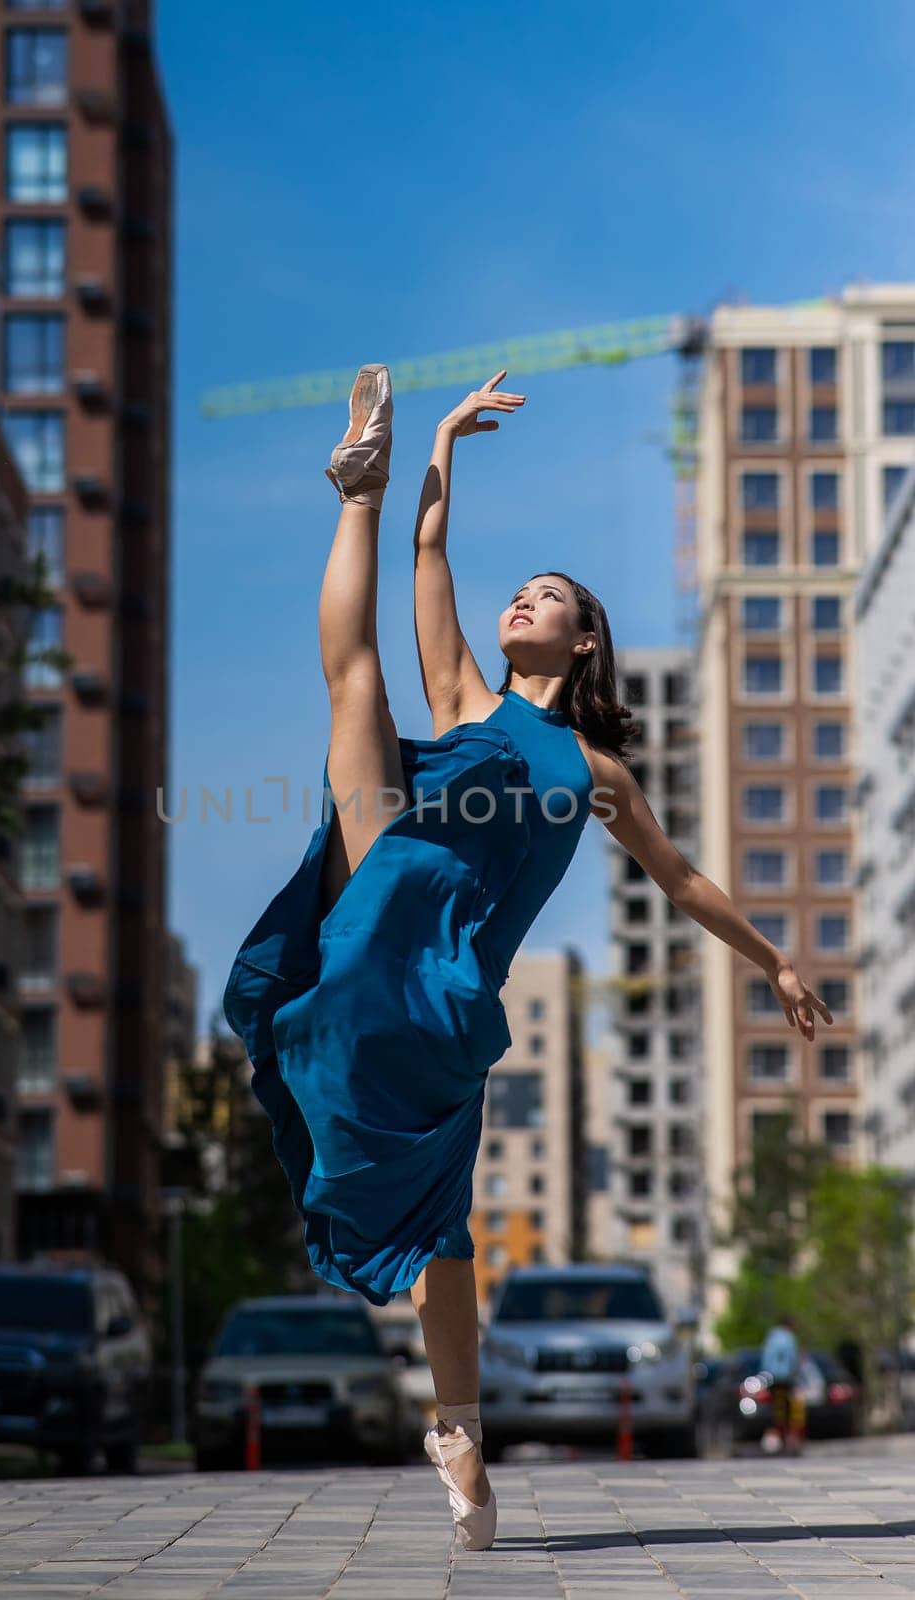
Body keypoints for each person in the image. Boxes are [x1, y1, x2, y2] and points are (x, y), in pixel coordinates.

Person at [222, 364, 834, 1549]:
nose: (522, 601)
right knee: (354, 686)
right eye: (519, 591)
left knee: (444, 1236)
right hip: (385, 854)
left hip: (446, 981)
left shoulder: (595, 774)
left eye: (544, 595)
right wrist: (433, 450)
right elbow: (430, 561)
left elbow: (682, 879)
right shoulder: (461, 693)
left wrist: (771, 959)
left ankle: (459, 1428)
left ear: (582, 634)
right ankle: (354, 485)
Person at [761, 1314, 802, 1453]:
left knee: (774, 1407)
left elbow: (766, 1358)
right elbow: (792, 1359)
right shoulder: (789, 1338)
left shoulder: (772, 1337)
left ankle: (773, 1437)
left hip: (772, 1377)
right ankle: (785, 1438)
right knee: (786, 1408)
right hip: (785, 1378)